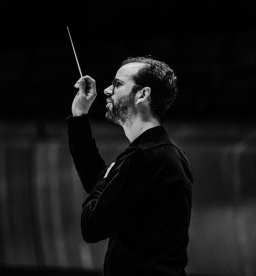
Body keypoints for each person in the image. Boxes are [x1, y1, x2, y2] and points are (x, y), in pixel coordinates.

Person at [67, 56, 193, 276]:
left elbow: (91, 225)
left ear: (142, 94)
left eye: (117, 84)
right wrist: (80, 116)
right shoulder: (162, 153)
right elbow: (98, 183)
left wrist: (107, 177)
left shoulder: (145, 158)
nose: (107, 90)